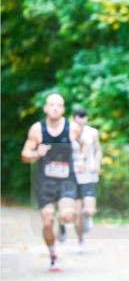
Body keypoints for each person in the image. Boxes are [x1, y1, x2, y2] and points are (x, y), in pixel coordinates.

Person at [21, 92, 85, 271]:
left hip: (67, 180)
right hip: (46, 182)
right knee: (48, 221)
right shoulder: (37, 129)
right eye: (52, 104)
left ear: (63, 109)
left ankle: (63, 226)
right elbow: (25, 155)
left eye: (59, 105)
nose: (55, 107)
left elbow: (81, 147)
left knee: (67, 215)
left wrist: (81, 161)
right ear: (45, 108)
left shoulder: (73, 128)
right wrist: (36, 153)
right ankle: (53, 255)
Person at [65, 106, 101, 252]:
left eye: (84, 117)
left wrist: (97, 163)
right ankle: (81, 242)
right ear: (74, 119)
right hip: (72, 175)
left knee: (89, 208)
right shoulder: (68, 132)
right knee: (76, 212)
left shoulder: (92, 132)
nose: (82, 121)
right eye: (79, 118)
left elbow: (98, 150)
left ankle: (88, 218)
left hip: (88, 174)